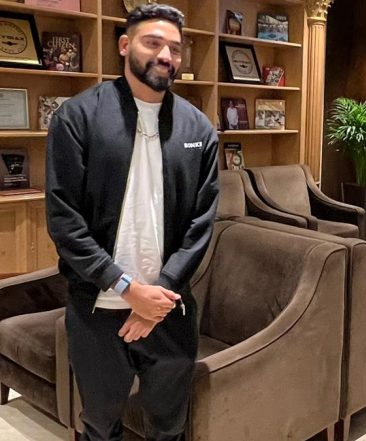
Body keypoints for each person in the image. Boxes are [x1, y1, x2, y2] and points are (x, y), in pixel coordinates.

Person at [45, 4, 219, 441]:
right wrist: (127, 289)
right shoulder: (78, 117)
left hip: (170, 310)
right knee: (100, 427)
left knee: (169, 426)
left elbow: (201, 223)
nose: (166, 56)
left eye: (175, 49)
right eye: (153, 42)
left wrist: (158, 297)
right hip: (97, 311)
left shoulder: (198, 127)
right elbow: (65, 220)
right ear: (125, 45)